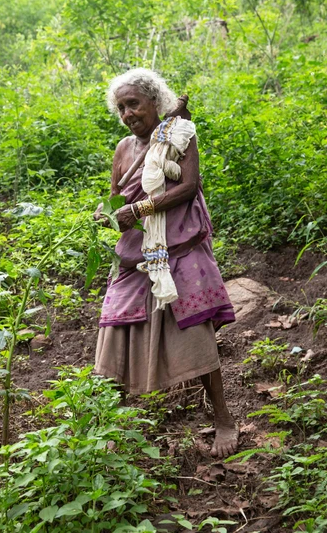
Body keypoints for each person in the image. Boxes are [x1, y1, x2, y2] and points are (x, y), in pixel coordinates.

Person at [94, 68, 239, 458]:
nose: (127, 113)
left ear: (154, 102)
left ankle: (224, 419)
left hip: (179, 246)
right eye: (121, 107)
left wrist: (139, 207)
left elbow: (189, 185)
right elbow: (114, 199)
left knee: (195, 332)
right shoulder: (123, 148)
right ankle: (111, 425)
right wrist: (105, 212)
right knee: (115, 334)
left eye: (134, 104)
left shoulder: (180, 136)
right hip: (134, 254)